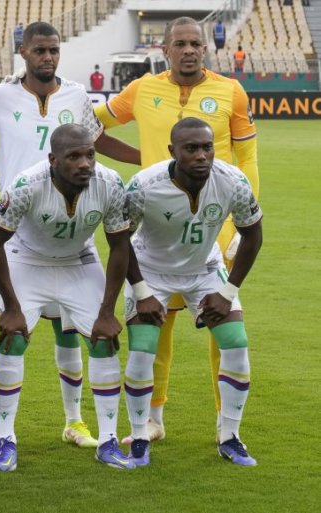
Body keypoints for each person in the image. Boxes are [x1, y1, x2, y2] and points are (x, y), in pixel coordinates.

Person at [0, 20, 140, 452]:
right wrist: (5, 168)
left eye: (53, 50)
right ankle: (1, 429)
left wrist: (147, 156)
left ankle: (75, 421)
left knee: (70, 332)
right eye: (39, 50)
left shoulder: (77, 95)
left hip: (74, 223)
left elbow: (95, 142)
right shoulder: (1, 95)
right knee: (15, 331)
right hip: (21, 224)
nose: (47, 57)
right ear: (24, 52)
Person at [95, 16, 258, 446]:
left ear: (205, 49)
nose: (188, 50)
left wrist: (237, 225)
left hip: (214, 222)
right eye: (180, 44)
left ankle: (225, 422)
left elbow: (248, 157)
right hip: (156, 217)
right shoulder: (141, 89)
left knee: (223, 324)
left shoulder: (231, 91)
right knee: (157, 326)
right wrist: (143, 159)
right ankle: (152, 419)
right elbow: (93, 127)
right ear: (164, 49)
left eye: (195, 44)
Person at [0, 124, 134, 471]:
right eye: (74, 157)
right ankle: (5, 438)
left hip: (78, 259)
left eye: (90, 155)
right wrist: (11, 306)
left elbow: (119, 246)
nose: (85, 164)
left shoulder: (110, 183)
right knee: (14, 337)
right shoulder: (26, 184)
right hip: (26, 257)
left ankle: (109, 441)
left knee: (103, 340)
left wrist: (107, 311)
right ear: (53, 160)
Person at [122, 117, 263, 467]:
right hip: (150, 270)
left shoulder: (232, 181)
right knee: (142, 349)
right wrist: (141, 290)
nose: (201, 155)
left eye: (207, 147)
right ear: (173, 151)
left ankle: (230, 436)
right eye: (191, 148)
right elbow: (119, 240)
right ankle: (139, 437)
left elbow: (253, 234)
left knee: (236, 343)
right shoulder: (143, 186)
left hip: (204, 268)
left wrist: (227, 292)